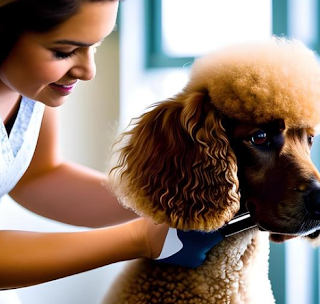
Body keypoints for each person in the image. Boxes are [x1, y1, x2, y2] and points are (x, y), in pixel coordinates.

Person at [0, 0, 223, 301]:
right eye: (64, 52)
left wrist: (169, 197)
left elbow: (39, 177)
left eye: (96, 45)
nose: (88, 71)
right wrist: (139, 239)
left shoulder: (32, 86)